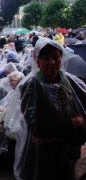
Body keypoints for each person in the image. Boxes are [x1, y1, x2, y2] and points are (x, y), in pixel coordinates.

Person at [17, 37, 86, 180]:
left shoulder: (69, 80)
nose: (52, 62)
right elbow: (36, 127)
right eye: (46, 58)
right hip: (44, 154)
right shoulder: (31, 86)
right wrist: (71, 124)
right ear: (37, 61)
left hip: (70, 149)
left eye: (56, 57)